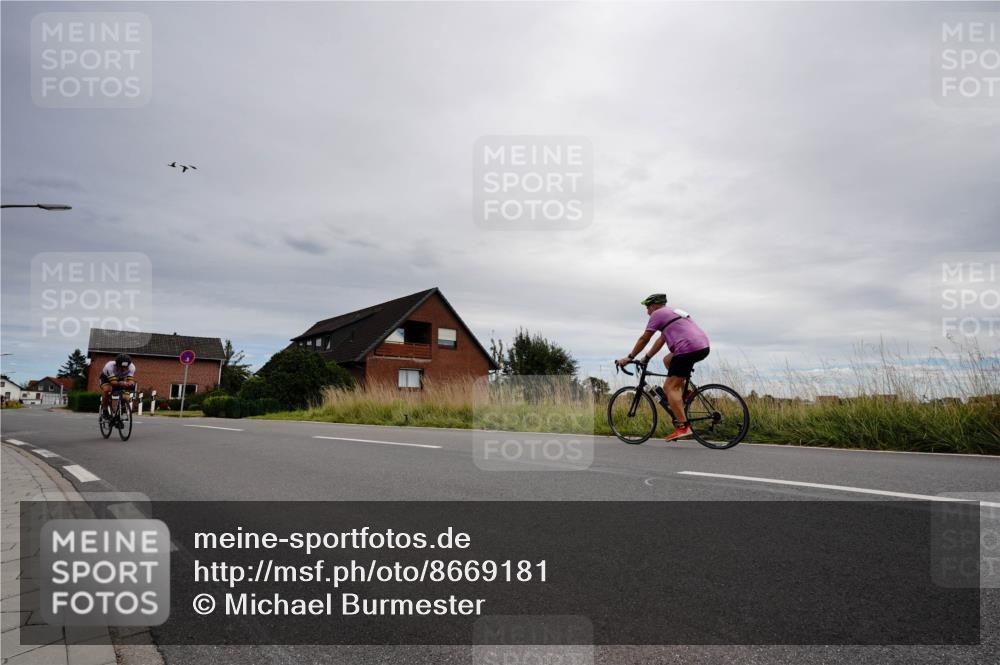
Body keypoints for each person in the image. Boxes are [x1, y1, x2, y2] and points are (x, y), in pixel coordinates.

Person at [616, 293, 710, 441]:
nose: (647, 312)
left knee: (669, 388)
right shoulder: (672, 313)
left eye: (647, 307)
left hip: (687, 349)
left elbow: (645, 338)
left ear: (654, 305)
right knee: (667, 360)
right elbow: (660, 340)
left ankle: (683, 427)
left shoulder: (658, 314)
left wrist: (630, 357)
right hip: (702, 346)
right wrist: (646, 358)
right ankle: (686, 393)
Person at [99, 353, 136, 417]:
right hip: (106, 378)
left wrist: (130, 383)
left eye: (125, 367)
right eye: (121, 367)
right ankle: (105, 409)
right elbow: (113, 382)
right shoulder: (109, 366)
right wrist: (123, 383)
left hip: (120, 379)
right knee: (108, 390)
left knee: (126, 397)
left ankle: (119, 411)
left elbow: (130, 380)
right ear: (117, 364)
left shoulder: (132, 367)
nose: (123, 369)